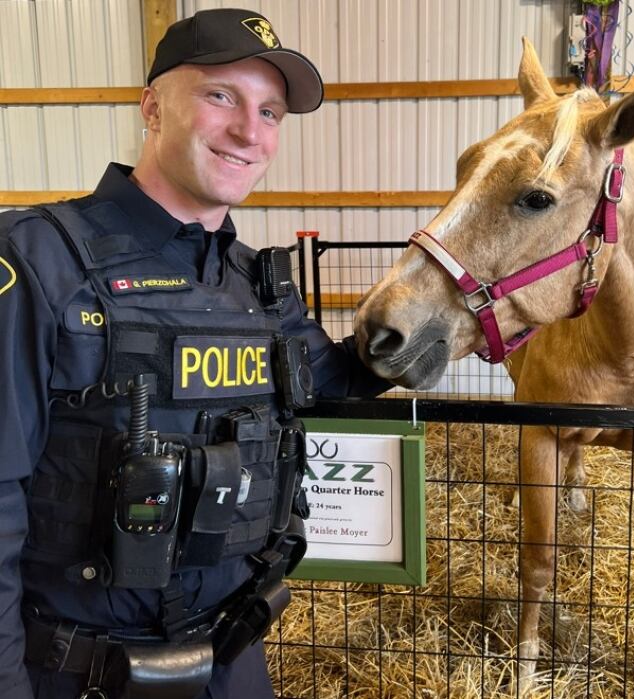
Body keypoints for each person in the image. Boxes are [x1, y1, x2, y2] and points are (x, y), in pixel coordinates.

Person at [0, 8, 389, 699]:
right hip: (78, 673)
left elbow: (336, 379)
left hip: (234, 662)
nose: (250, 131)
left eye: (270, 112)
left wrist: (459, 309)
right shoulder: (38, 261)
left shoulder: (260, 289)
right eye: (221, 97)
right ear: (152, 107)